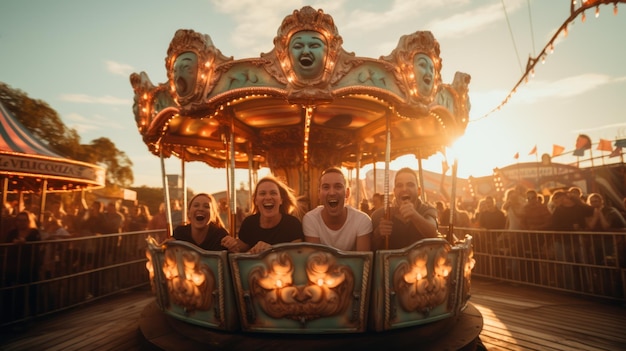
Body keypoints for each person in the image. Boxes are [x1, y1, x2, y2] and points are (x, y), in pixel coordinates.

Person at [221, 176, 304, 254]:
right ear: (256, 201)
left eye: (273, 193)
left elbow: (297, 255)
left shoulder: (292, 224)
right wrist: (231, 244)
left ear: (281, 200)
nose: (268, 197)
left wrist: (271, 251)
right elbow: (240, 249)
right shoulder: (249, 223)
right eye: (262, 193)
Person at [303, 167, 371, 251]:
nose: (332, 193)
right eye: (326, 187)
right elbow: (316, 259)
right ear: (319, 194)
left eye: (338, 187)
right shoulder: (311, 219)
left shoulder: (362, 220)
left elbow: (363, 261)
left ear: (347, 193)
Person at [371, 167, 438, 250]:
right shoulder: (380, 215)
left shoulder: (427, 210)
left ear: (419, 191)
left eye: (410, 185)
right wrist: (378, 233)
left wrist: (414, 216)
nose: (404, 189)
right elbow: (370, 249)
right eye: (399, 185)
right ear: (394, 191)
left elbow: (433, 234)